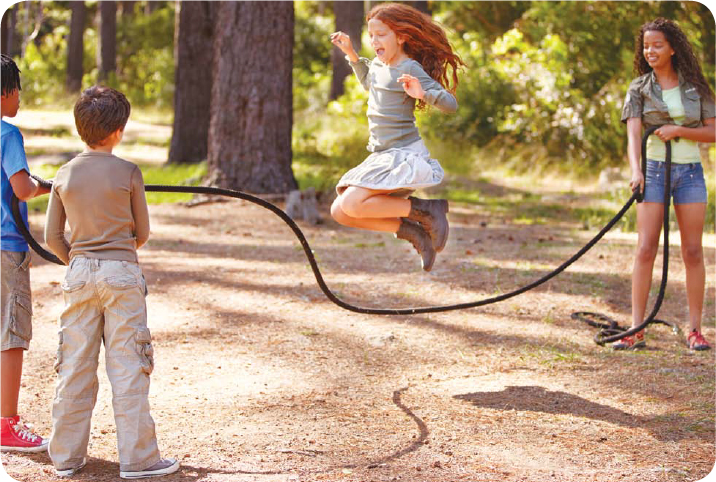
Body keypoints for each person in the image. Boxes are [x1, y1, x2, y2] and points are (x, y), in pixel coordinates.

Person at [44, 86, 179, 478]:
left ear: (79, 128)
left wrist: (79, 260)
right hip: (122, 272)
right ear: (119, 130)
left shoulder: (64, 174)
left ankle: (66, 458)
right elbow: (143, 232)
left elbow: (53, 237)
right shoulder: (129, 172)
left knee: (74, 364)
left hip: (80, 272)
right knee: (128, 366)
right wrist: (119, 253)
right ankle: (138, 459)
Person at [329, 3, 464, 272]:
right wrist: (353, 56)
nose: (374, 40)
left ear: (401, 37)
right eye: (371, 35)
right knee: (340, 212)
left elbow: (450, 104)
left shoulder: (410, 68)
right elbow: (371, 83)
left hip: (402, 154)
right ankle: (413, 232)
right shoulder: (379, 64)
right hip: (381, 154)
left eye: (381, 34)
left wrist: (421, 93)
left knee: (352, 203)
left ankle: (426, 210)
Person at [618, 18, 715, 351]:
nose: (650, 51)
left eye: (657, 45)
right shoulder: (639, 88)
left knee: (692, 251)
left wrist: (678, 131)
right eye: (646, 46)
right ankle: (636, 328)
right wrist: (637, 171)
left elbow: (713, 132)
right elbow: (633, 134)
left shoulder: (696, 88)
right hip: (654, 171)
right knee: (645, 248)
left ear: (673, 48)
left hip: (689, 173)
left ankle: (696, 330)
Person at [1, 53, 52, 453]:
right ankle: (7, 424)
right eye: (18, 90)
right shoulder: (8, 135)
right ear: (7, 92)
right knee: (11, 333)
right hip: (7, 247)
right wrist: (45, 186)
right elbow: (21, 188)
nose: (20, 98)